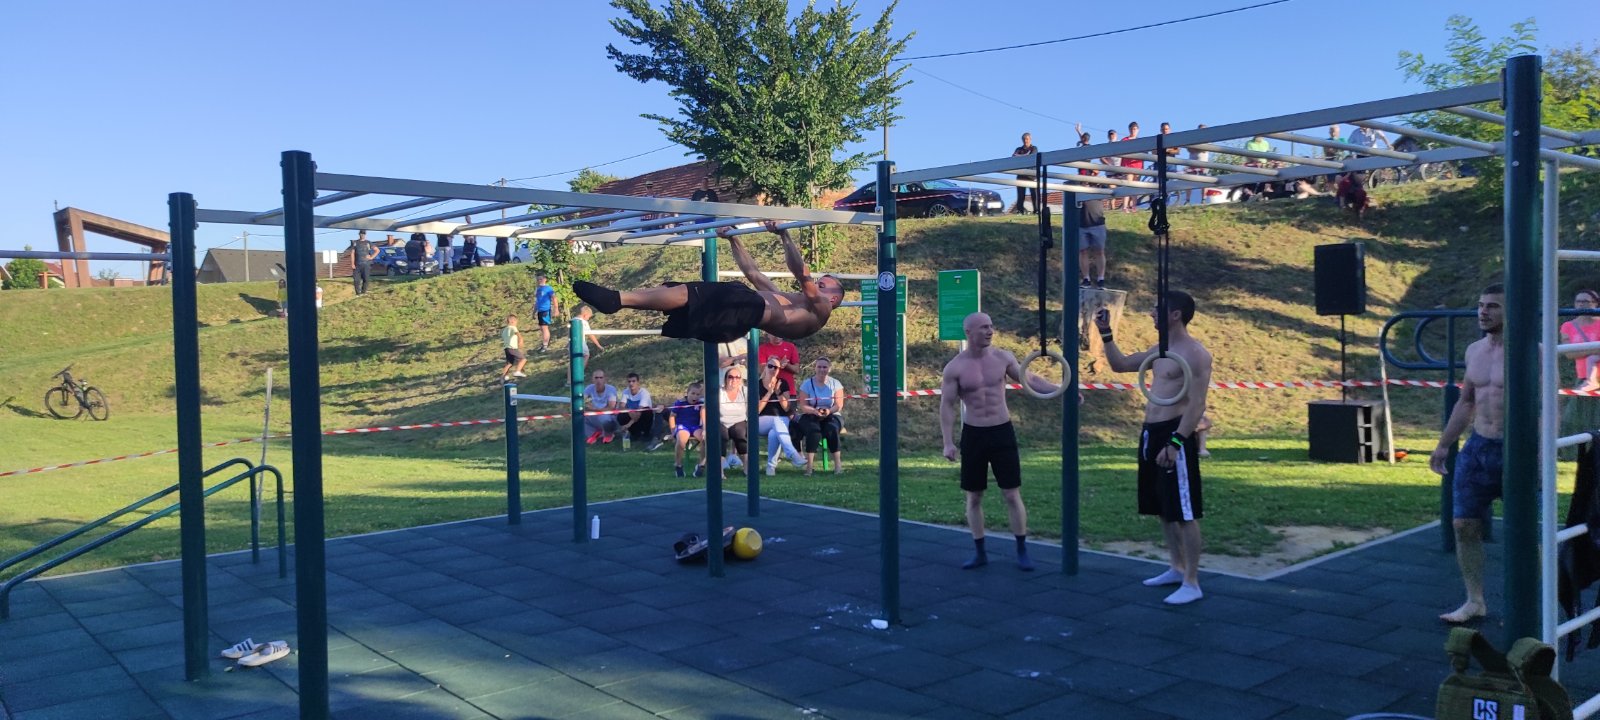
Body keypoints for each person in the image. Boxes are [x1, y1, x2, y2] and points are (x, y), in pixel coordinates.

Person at [1095, 291, 1215, 605]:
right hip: (1151, 431)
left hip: (1176, 434)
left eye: (1156, 309)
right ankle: (1176, 568)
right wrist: (1105, 333)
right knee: (1163, 508)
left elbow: (1197, 404)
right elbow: (1120, 365)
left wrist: (1176, 442)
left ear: (1175, 314)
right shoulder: (1159, 350)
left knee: (1184, 512)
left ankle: (1192, 581)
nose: (1150, 314)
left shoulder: (1195, 353)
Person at [573, 220, 845, 344]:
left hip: (743, 309)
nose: (819, 283)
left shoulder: (821, 310)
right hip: (736, 315)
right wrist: (734, 239)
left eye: (825, 284)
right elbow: (754, 274)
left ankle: (617, 300)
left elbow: (802, 274)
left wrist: (784, 235)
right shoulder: (791, 300)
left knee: (698, 292)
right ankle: (619, 300)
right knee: (677, 291)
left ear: (834, 298)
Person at [940, 312, 1062, 571]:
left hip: (1001, 432)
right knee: (974, 496)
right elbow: (947, 406)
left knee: (1011, 492)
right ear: (969, 332)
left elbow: (1030, 379)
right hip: (974, 435)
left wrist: (1061, 390)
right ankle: (980, 551)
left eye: (991, 326)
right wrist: (948, 442)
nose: (990, 331)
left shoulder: (1003, 358)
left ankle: (1021, 549)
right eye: (984, 327)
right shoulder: (955, 367)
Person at [1429, 284, 1506, 624]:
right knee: (1463, 524)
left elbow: (1549, 406)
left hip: (1515, 449)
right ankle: (1475, 600)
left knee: (1527, 531)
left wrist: (1539, 453)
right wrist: (1445, 443)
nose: (1483, 312)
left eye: (1492, 306)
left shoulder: (1534, 352)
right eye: (1480, 305)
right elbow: (1467, 401)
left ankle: (1534, 599)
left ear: (1510, 312)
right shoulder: (1475, 350)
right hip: (1478, 447)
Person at [1559, 290, 1600, 458]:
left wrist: (1582, 349)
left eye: (1586, 301)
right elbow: (1569, 354)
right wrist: (1593, 348)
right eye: (1578, 301)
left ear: (1595, 303)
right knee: (1572, 418)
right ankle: (1571, 453)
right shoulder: (1568, 326)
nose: (1581, 304)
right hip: (1583, 378)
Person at [796, 357, 846, 475]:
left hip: (832, 413)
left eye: (824, 367)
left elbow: (839, 405)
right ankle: (809, 467)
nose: (822, 369)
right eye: (819, 367)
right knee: (813, 430)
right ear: (815, 368)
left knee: (832, 429)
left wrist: (828, 411)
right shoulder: (806, 384)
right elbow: (803, 405)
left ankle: (838, 466)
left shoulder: (836, 384)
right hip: (811, 413)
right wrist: (814, 411)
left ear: (829, 369)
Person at [757, 356, 806, 475]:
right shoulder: (757, 384)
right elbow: (757, 410)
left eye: (776, 367)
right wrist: (769, 392)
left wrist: (778, 392)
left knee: (774, 433)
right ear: (766, 367)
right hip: (761, 421)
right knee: (775, 421)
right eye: (770, 366)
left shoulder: (782, 383)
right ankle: (792, 453)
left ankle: (770, 467)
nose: (773, 369)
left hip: (781, 420)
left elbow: (787, 408)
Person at [669, 382, 707, 478]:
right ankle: (678, 465)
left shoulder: (701, 403)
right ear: (687, 393)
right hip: (683, 426)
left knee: (705, 439)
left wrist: (704, 429)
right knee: (682, 440)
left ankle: (701, 465)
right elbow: (672, 416)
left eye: (698, 394)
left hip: (695, 427)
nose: (695, 396)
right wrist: (673, 431)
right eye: (693, 393)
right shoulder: (680, 402)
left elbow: (704, 416)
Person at [718, 366, 750, 471]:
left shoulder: (745, 391)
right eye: (730, 377)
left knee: (739, 433)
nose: (734, 380)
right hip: (722, 421)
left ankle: (746, 467)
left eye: (737, 377)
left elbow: (753, 408)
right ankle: (720, 469)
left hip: (739, 420)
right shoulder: (719, 391)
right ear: (725, 379)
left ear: (741, 379)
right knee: (721, 435)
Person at [582, 369, 620, 445]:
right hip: (595, 414)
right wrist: (586, 406)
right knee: (579, 417)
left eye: (601, 377)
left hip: (609, 416)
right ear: (592, 379)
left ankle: (608, 434)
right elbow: (582, 401)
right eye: (596, 378)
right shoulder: (589, 388)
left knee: (604, 418)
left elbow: (611, 407)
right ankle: (594, 434)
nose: (598, 380)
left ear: (605, 379)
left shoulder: (611, 389)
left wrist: (595, 409)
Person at [617, 372, 656, 448]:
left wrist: (628, 425)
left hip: (642, 417)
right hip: (632, 416)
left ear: (638, 382)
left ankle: (646, 434)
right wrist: (629, 411)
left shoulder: (644, 393)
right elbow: (621, 407)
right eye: (629, 381)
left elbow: (639, 412)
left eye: (633, 381)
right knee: (621, 415)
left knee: (646, 411)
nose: (631, 383)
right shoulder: (625, 392)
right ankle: (634, 434)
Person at [1078, 197, 1108, 289]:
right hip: (1080, 224)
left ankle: (1101, 279)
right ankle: (1086, 279)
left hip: (1098, 223)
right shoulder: (1077, 185)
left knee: (1099, 251)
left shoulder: (1099, 185)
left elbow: (1112, 188)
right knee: (1083, 251)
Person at [1011, 132, 1039, 215]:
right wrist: (1025, 155)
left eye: (1027, 139)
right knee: (1020, 195)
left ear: (1030, 139)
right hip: (1021, 175)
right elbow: (1013, 156)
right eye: (1024, 139)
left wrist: (1021, 156)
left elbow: (1031, 157)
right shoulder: (1018, 149)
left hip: (1032, 175)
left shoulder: (1034, 148)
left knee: (1034, 194)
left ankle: (1036, 211)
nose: (1025, 141)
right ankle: (1020, 211)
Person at [1119, 122, 1145, 212]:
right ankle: (1125, 207)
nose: (1133, 130)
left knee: (1135, 187)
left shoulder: (1141, 141)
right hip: (1128, 166)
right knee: (1128, 187)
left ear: (1138, 130)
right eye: (1131, 129)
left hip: (1138, 166)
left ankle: (1134, 206)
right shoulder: (1125, 140)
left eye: (1135, 129)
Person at [1184, 124, 1211, 205]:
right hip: (1192, 163)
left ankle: (1203, 200)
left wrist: (1195, 148)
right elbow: (1189, 149)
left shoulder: (1208, 139)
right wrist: (1198, 148)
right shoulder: (1193, 139)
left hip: (1203, 164)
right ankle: (1187, 200)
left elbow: (1204, 149)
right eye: (1200, 130)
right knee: (1188, 182)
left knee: (1204, 182)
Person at [534, 273, 560, 352]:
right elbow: (537, 302)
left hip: (545, 310)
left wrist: (556, 309)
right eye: (538, 279)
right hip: (540, 310)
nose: (539, 281)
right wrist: (534, 312)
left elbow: (554, 298)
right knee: (542, 328)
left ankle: (545, 346)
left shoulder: (548, 288)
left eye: (541, 279)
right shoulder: (538, 289)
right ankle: (544, 344)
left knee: (545, 328)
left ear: (545, 279)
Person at [500, 315, 527, 383]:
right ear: (512, 321)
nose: (516, 324)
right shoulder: (513, 327)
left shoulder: (504, 330)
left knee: (509, 363)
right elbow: (517, 334)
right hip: (512, 348)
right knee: (523, 359)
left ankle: (503, 377)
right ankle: (517, 371)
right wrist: (521, 340)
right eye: (516, 322)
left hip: (506, 348)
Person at [351, 230, 377, 296]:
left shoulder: (368, 242)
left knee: (366, 279)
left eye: (363, 234)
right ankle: (358, 293)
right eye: (361, 234)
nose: (362, 235)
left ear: (365, 235)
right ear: (359, 234)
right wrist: (352, 264)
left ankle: (364, 292)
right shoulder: (355, 243)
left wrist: (371, 257)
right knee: (356, 280)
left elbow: (377, 250)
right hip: (357, 264)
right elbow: (352, 253)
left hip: (366, 264)